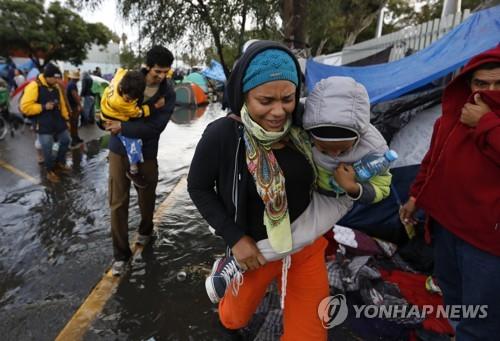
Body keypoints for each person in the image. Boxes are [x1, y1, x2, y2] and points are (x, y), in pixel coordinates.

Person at [188, 41, 353, 340]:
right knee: (233, 318)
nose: (279, 112)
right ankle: (229, 289)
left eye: (288, 98)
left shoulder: (304, 126)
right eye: (265, 101)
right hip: (255, 253)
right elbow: (198, 188)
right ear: (243, 94)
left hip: (306, 246)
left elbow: (354, 133)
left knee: (310, 334)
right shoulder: (222, 135)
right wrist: (235, 238)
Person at [203, 75, 392, 304]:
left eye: (342, 150)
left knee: (299, 236)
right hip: (310, 191)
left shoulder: (374, 150)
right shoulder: (299, 121)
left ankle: (233, 263)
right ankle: (237, 260)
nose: (333, 155)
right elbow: (201, 187)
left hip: (336, 197)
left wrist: (352, 187)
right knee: (281, 232)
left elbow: (383, 187)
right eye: (323, 148)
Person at [400, 46, 500, 340]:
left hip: (486, 241)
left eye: (498, 84)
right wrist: (416, 196)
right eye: (481, 83)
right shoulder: (451, 119)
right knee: (455, 300)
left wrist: (485, 123)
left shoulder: (481, 119)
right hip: (446, 228)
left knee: (483, 318)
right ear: (469, 84)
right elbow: (433, 160)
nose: (489, 90)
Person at [104, 46, 176, 276]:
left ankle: (146, 230)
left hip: (146, 153)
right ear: (147, 67)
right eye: (157, 72)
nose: (161, 76)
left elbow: (156, 127)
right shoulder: (127, 81)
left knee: (146, 196)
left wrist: (123, 127)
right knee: (118, 202)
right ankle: (121, 256)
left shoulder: (168, 93)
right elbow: (107, 107)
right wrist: (103, 121)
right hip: (118, 151)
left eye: (165, 72)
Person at [20, 63, 71, 183]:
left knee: (65, 140)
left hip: (58, 121)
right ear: (47, 77)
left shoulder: (56, 87)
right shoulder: (34, 86)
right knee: (47, 147)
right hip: (43, 123)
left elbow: (62, 104)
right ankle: (49, 171)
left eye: (58, 78)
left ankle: (60, 163)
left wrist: (66, 119)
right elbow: (25, 107)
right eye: (55, 78)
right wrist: (43, 107)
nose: (57, 80)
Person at [101, 68, 150, 188]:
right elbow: (136, 112)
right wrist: (150, 108)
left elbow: (121, 70)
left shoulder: (120, 77)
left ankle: (111, 154)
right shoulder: (120, 103)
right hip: (111, 117)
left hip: (106, 109)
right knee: (134, 143)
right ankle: (133, 170)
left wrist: (137, 73)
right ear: (122, 89)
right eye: (128, 99)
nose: (130, 101)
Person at [66, 70, 84, 149]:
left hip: (71, 106)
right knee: (73, 123)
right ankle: (74, 140)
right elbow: (75, 95)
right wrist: (80, 105)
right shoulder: (73, 85)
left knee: (75, 123)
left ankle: (76, 138)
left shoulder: (70, 84)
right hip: (73, 107)